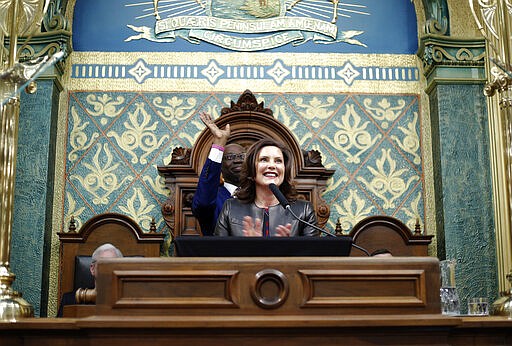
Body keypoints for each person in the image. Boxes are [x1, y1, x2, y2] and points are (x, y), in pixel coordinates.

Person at [215, 137, 319, 237]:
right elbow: (218, 253)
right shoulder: (230, 208)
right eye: (264, 160)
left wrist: (287, 250)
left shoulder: (304, 210)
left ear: (284, 170)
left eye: (278, 161)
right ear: (251, 169)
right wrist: (248, 248)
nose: (272, 166)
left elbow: (313, 253)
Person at [192, 111, 245, 236]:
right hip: (219, 254)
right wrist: (219, 143)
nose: (237, 160)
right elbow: (203, 203)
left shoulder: (260, 195)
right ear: (220, 166)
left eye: (242, 156)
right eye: (230, 157)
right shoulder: (213, 196)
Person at [57, 243, 123, 317]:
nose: (107, 269)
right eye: (103, 263)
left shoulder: (127, 301)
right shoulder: (70, 300)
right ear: (92, 269)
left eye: (112, 264)